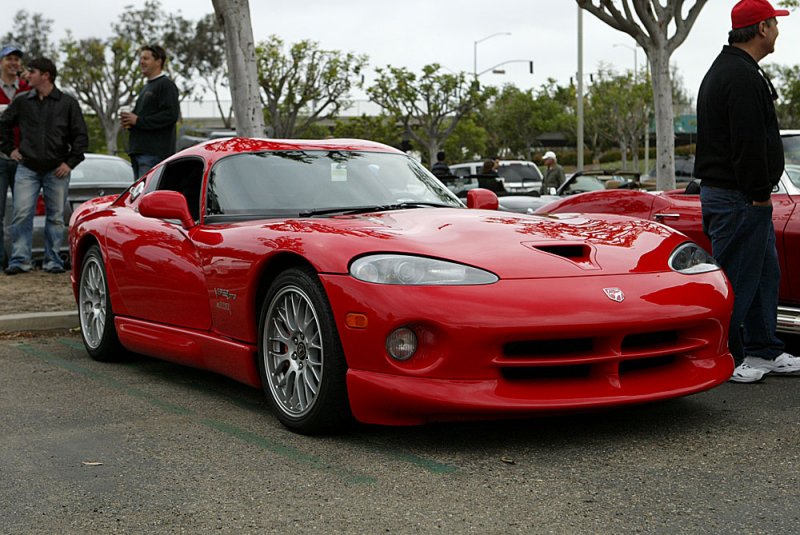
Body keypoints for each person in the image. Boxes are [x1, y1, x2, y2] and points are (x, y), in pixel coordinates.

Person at [695, 0, 800, 383]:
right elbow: (748, 143)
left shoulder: (737, 70)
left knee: (763, 276)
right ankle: (726, 356)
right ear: (761, 29)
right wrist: (758, 194)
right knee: (736, 279)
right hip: (739, 197)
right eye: (775, 24)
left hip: (741, 196)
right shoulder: (737, 76)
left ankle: (763, 350)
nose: (778, 31)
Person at [0, 57, 87, 274]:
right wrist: (10, 150)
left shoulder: (68, 103)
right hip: (27, 168)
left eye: (32, 72)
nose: (27, 75)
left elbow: (80, 137)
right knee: (22, 214)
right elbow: (3, 125)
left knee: (56, 217)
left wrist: (70, 162)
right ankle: (20, 261)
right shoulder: (22, 101)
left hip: (57, 170)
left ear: (45, 76)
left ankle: (53, 260)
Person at [120, 44, 180, 178]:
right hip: (139, 153)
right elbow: (139, 119)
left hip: (153, 155)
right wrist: (130, 122)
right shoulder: (146, 87)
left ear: (158, 61)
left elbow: (171, 115)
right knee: (140, 197)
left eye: (146, 58)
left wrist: (138, 120)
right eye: (140, 58)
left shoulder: (165, 85)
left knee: (149, 197)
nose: (141, 62)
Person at [0, 43, 30, 269]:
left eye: (17, 59)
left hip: (22, 160)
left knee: (22, 213)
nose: (14, 63)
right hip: (0, 159)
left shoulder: (27, 89)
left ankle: (20, 260)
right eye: (9, 59)